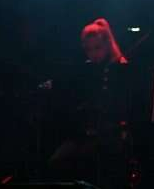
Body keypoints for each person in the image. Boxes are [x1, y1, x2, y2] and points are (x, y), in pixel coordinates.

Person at [48, 18, 134, 189]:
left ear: (107, 45)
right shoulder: (86, 69)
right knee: (56, 162)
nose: (93, 53)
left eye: (97, 48)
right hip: (86, 135)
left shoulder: (119, 68)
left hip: (110, 136)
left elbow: (122, 106)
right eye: (88, 49)